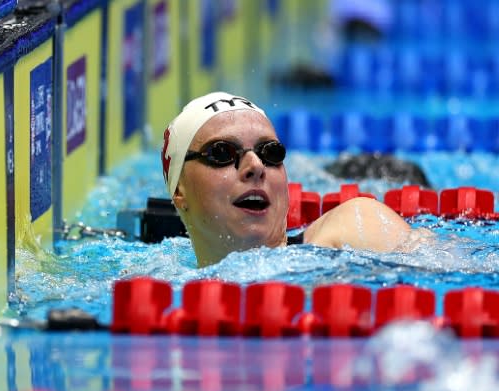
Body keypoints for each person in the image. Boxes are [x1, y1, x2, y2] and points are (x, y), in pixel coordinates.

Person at [161, 91, 419, 267]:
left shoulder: (356, 227)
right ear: (179, 190)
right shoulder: (154, 275)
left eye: (270, 152)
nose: (256, 166)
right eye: (222, 153)